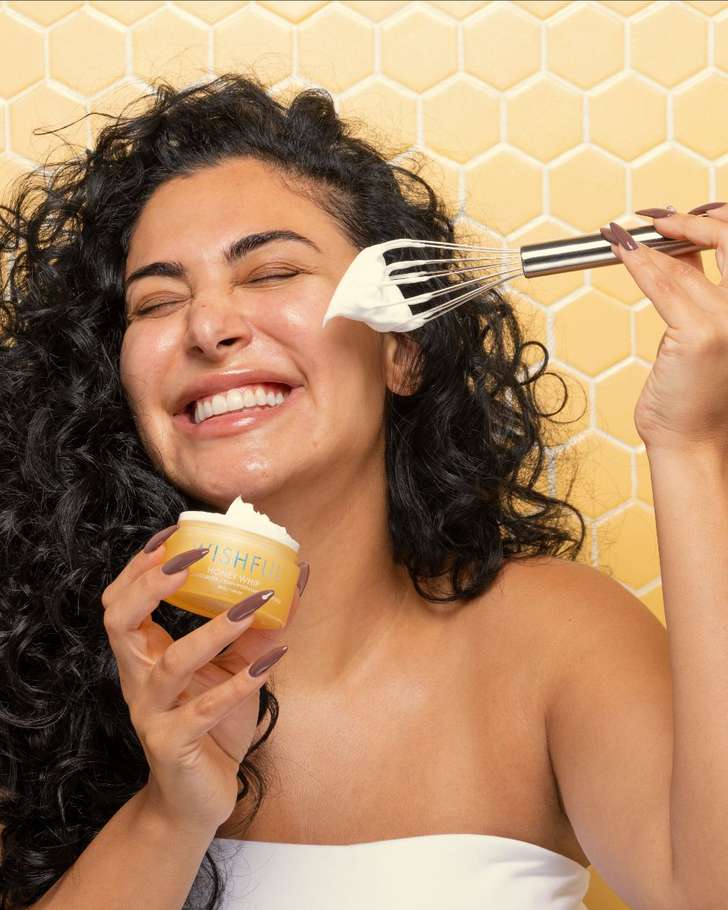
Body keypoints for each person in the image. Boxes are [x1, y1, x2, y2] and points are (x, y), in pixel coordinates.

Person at [2, 73, 718, 910]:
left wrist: (690, 443)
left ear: (402, 352)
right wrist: (172, 809)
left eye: (273, 272)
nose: (208, 327)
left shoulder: (557, 640)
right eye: (158, 300)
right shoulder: (43, 678)